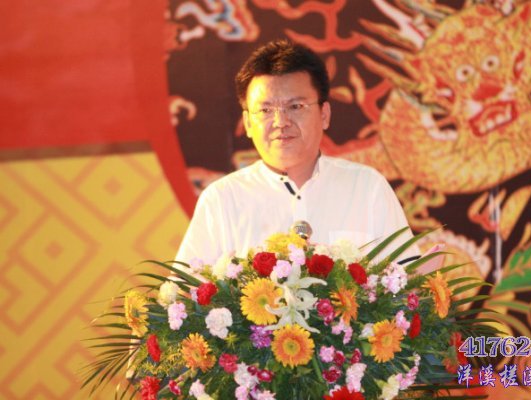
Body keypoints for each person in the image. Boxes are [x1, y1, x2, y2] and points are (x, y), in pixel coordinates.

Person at [176, 39, 418, 266]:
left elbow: (408, 282)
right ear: (248, 123)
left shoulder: (366, 187)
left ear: (324, 115)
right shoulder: (223, 199)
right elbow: (185, 292)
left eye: (295, 106)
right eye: (266, 110)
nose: (281, 122)